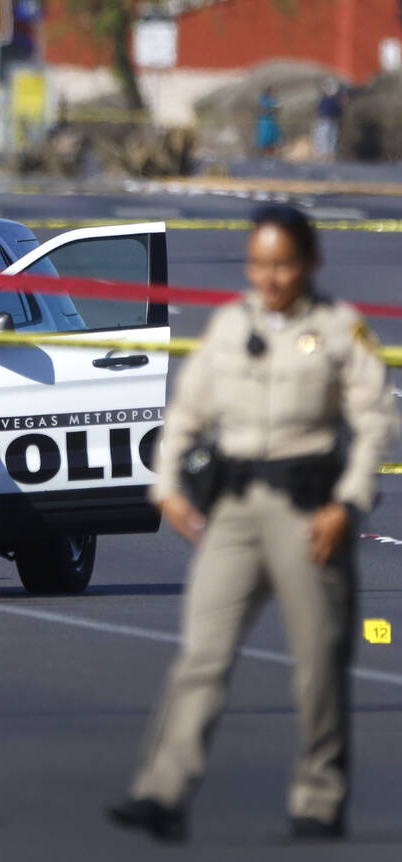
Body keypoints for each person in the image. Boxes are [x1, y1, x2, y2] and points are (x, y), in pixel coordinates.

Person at [107, 205, 399, 843]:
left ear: (310, 264)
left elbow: (376, 421)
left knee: (318, 662)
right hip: (235, 513)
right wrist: (166, 486)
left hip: (308, 511)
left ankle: (319, 801)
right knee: (202, 655)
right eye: (260, 264)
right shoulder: (229, 326)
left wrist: (346, 504)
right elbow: (187, 409)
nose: (271, 278)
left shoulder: (340, 329)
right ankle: (162, 793)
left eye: (284, 264)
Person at [313, 79, 344, 162]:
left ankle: (328, 153)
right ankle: (324, 153)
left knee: (330, 136)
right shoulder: (326, 99)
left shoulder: (333, 100)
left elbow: (338, 110)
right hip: (325, 119)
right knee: (324, 136)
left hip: (331, 119)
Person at [255, 86, 282, 156]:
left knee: (273, 138)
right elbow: (262, 109)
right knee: (265, 138)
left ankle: (271, 154)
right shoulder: (264, 99)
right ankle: (264, 154)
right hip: (265, 120)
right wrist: (272, 109)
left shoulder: (274, 99)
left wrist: (277, 108)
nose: (274, 93)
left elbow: (277, 109)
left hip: (272, 120)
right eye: (272, 91)